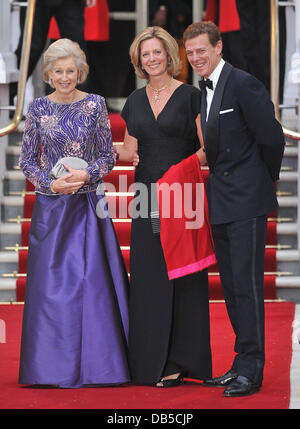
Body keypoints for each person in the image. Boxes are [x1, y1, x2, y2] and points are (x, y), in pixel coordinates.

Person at [18, 38, 130, 388]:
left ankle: (102, 366)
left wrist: (87, 175)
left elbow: (108, 156)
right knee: (52, 288)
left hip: (88, 205)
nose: (65, 77)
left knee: (92, 286)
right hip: (52, 209)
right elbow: (26, 161)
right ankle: (48, 367)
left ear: (80, 72)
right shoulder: (36, 108)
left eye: (71, 71)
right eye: (58, 71)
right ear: (48, 74)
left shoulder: (95, 105)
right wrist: (50, 185)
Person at [183, 21, 285, 397]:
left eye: (201, 51)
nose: (196, 59)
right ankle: (240, 361)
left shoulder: (243, 83)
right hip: (221, 201)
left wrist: (262, 181)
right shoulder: (203, 90)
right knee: (230, 286)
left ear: (219, 47)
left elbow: (272, 138)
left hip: (247, 200)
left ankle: (251, 371)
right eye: (190, 53)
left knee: (247, 285)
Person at [115, 26, 212, 387]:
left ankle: (180, 360)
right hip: (145, 197)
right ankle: (149, 360)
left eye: (157, 52)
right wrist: (88, 149)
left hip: (182, 195)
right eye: (145, 54)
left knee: (184, 275)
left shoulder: (190, 96)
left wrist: (180, 171)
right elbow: (129, 151)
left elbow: (207, 150)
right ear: (138, 60)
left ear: (170, 55)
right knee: (149, 275)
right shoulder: (134, 101)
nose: (151, 59)